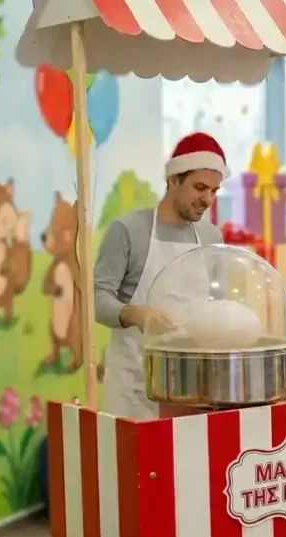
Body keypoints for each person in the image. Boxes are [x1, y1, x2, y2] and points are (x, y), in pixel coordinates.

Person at [94, 133, 226, 420]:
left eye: (215, 191)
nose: (207, 200)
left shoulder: (211, 236)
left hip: (193, 390)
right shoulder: (127, 231)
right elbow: (97, 300)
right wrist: (136, 315)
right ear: (173, 180)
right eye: (200, 187)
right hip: (134, 390)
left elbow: (217, 302)